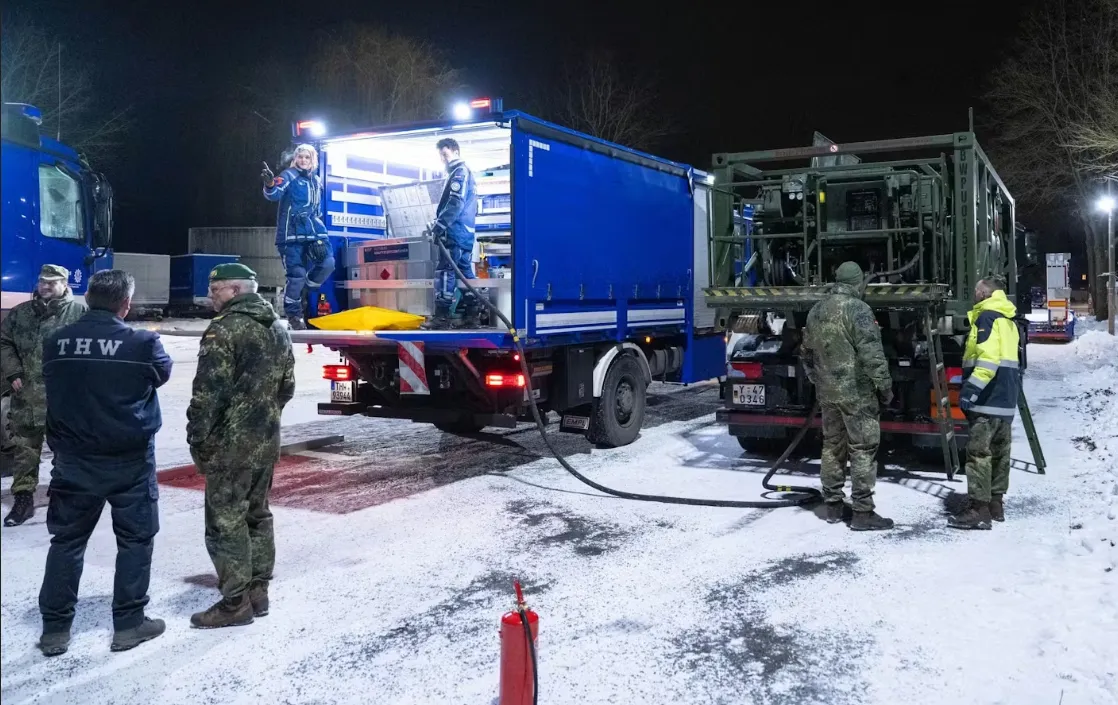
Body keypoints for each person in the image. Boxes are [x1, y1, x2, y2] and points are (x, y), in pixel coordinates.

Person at [36, 270, 172, 656]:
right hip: (129, 462)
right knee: (135, 542)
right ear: (125, 304)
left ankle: (55, 630)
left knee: (67, 542)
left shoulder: (56, 340)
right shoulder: (142, 342)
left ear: (88, 299)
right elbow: (161, 374)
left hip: (73, 461)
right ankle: (129, 624)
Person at [186, 263, 295, 628]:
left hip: (229, 446)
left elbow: (207, 394)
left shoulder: (223, 330)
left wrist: (198, 436)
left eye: (215, 289)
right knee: (257, 514)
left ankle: (235, 602)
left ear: (235, 291)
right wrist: (262, 418)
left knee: (225, 522)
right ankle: (258, 592)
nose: (210, 296)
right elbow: (287, 387)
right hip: (265, 440)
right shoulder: (277, 328)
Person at [801, 261, 895, 531]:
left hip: (828, 393)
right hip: (857, 393)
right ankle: (862, 512)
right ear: (857, 283)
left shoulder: (816, 310)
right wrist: (885, 386)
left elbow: (806, 352)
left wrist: (818, 380)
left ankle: (832, 506)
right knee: (862, 448)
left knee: (832, 445)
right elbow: (871, 352)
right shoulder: (858, 309)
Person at [1, 264, 88, 527]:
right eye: (42, 281)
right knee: (24, 449)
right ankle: (23, 499)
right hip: (27, 395)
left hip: (65, 398)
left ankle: (62, 493)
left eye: (52, 282)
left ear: (65, 284)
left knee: (65, 449)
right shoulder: (21, 313)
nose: (45, 286)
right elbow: (4, 342)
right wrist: (13, 372)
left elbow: (91, 349)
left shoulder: (80, 314)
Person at [949, 276, 1020, 530]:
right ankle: (995, 505)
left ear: (983, 294)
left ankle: (979, 510)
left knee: (979, 454)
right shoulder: (1008, 320)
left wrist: (970, 391)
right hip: (1005, 400)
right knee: (1000, 453)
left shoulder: (986, 318)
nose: (974, 295)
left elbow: (988, 361)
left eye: (976, 291)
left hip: (987, 398)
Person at [262, 144, 334, 331]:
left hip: (313, 232)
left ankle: (303, 291)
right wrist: (269, 184)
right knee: (297, 276)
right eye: (300, 156)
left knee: (328, 263)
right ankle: (294, 315)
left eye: (307, 157)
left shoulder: (316, 181)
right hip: (290, 235)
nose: (303, 160)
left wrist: (318, 232)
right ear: (295, 159)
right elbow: (273, 194)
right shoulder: (288, 175)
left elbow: (317, 210)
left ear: (312, 160)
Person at [422, 137, 480, 330]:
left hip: (455, 234)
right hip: (464, 234)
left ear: (456, 151)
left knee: (446, 272)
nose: (443, 159)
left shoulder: (459, 173)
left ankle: (442, 318)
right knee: (465, 274)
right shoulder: (464, 173)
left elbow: (455, 203)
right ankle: (473, 314)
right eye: (440, 155)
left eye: (445, 154)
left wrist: (439, 226)